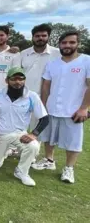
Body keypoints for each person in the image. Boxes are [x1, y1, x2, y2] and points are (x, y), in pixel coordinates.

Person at [32, 31, 90, 184]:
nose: (67, 45)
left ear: (78, 44)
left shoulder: (86, 61)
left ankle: (69, 168)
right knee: (48, 137)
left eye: (71, 42)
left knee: (73, 141)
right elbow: (46, 86)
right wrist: (43, 106)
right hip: (52, 108)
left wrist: (84, 108)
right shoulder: (53, 63)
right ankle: (49, 160)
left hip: (73, 110)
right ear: (59, 44)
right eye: (64, 43)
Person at [0, 67, 48, 186]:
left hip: (19, 134)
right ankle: (7, 150)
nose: (18, 82)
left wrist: (33, 134)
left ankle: (21, 172)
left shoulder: (32, 96)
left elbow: (45, 118)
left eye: (21, 79)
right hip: (0, 136)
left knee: (33, 146)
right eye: (14, 79)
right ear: (7, 80)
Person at [20, 24, 60, 128]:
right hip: (23, 97)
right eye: (37, 36)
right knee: (18, 130)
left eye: (43, 35)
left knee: (38, 133)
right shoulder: (23, 53)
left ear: (48, 37)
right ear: (32, 37)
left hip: (45, 99)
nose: (40, 38)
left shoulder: (58, 54)